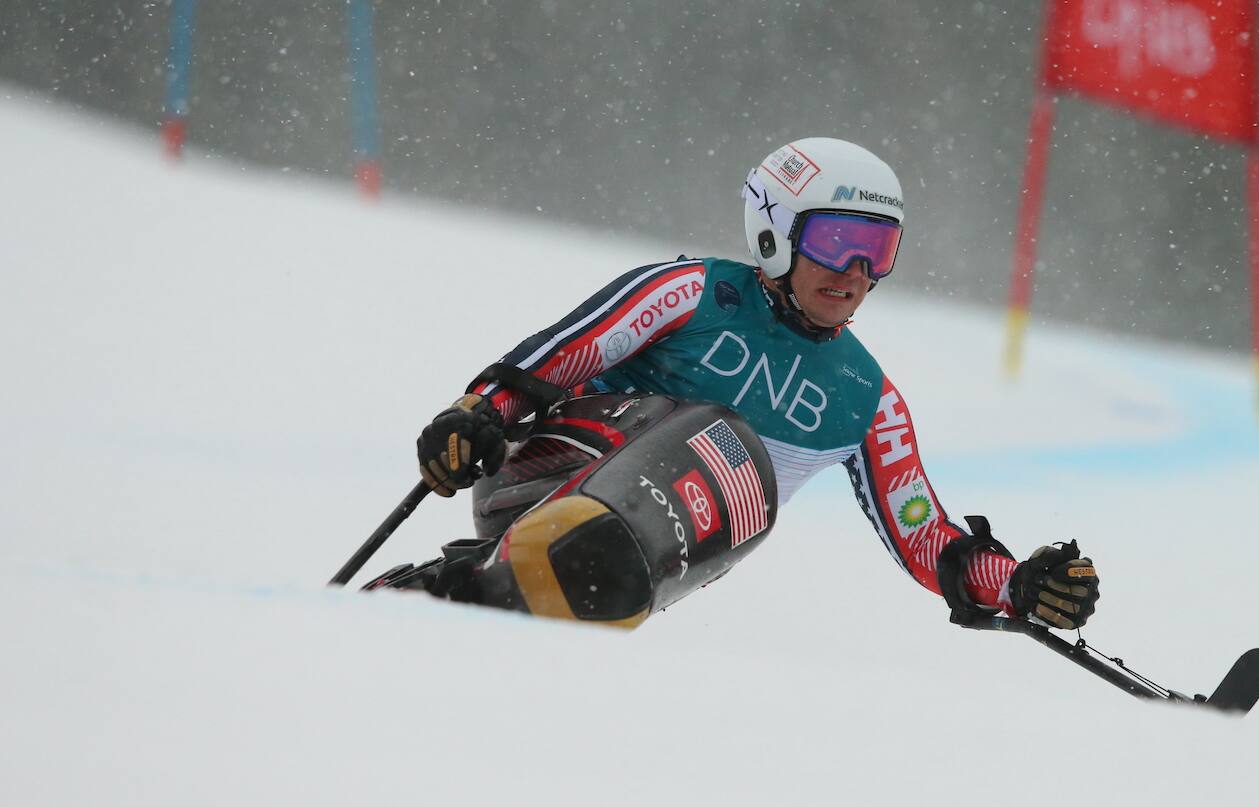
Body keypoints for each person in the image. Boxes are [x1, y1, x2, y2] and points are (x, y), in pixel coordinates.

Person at [366, 137, 1099, 631]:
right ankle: (457, 585)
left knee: (730, 463)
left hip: (653, 552)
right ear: (776, 234)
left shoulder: (866, 397)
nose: (856, 275)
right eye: (839, 243)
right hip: (540, 480)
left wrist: (1018, 585)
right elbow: (553, 358)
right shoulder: (692, 293)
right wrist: (475, 417)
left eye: (878, 251)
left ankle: (512, 600)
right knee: (717, 440)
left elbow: (925, 535)